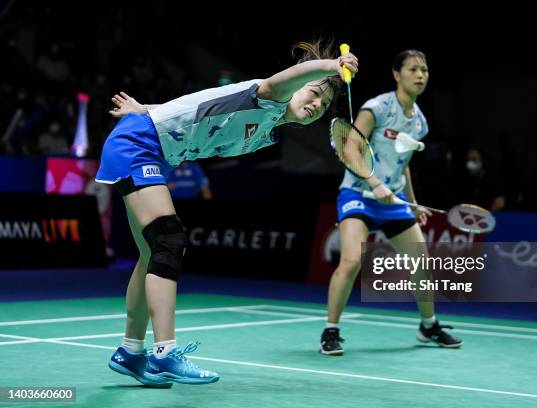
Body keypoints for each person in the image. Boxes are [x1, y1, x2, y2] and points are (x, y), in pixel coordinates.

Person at [95, 40, 358, 386]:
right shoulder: (269, 96)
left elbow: (197, 105)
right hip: (139, 143)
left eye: (324, 105)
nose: (315, 104)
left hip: (152, 145)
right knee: (169, 240)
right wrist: (331, 66)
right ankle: (164, 354)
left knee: (151, 254)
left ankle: (131, 352)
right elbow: (290, 76)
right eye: (312, 94)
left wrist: (146, 107)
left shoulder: (269, 130)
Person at [320, 50, 462, 356]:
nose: (421, 75)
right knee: (352, 261)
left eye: (424, 69)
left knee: (420, 263)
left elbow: (403, 163)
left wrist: (411, 202)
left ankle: (429, 325)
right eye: (413, 69)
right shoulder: (377, 108)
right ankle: (331, 330)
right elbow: (351, 151)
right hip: (359, 194)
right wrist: (375, 183)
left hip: (393, 198)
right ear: (397, 74)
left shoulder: (420, 123)